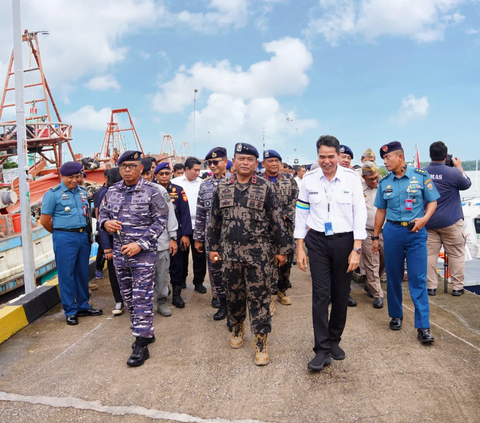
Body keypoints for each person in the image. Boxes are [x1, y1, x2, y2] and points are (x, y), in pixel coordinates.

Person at [207, 143, 289, 366]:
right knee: (234, 295)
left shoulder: (265, 187)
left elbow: (276, 220)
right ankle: (236, 326)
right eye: (241, 158)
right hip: (230, 255)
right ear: (234, 160)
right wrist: (212, 247)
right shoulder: (222, 187)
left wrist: (282, 250)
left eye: (250, 159)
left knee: (259, 297)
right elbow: (214, 220)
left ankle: (261, 339)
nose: (245, 163)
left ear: (256, 163)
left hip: (258, 255)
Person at [295, 135, 367, 371]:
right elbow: (302, 213)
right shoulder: (309, 180)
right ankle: (322, 349)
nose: (326, 161)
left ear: (338, 155)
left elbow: (360, 213)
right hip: (317, 241)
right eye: (322, 156)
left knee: (340, 294)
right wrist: (300, 247)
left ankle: (334, 340)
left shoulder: (351, 179)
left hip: (345, 241)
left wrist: (356, 248)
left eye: (331, 156)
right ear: (317, 156)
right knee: (320, 295)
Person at [99, 150, 169, 367]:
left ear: (141, 168)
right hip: (120, 254)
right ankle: (145, 331)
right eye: (123, 166)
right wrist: (105, 224)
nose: (127, 169)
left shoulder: (152, 191)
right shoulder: (111, 191)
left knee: (142, 297)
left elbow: (161, 221)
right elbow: (101, 215)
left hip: (143, 254)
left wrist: (140, 244)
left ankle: (141, 343)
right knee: (128, 296)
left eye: (131, 165)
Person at [372, 141, 439, 344]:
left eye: (388, 157)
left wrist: (425, 219)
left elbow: (433, 201)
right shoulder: (384, 182)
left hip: (415, 231)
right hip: (392, 231)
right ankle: (396, 315)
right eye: (383, 158)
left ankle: (423, 326)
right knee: (393, 276)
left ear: (400, 157)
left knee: (418, 279)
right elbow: (380, 211)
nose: (385, 161)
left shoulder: (421, 176)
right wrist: (375, 237)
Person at [40, 161, 103, 326]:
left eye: (77, 176)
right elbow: (45, 221)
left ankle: (83, 305)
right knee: (66, 275)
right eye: (70, 177)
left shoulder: (82, 191)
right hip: (64, 238)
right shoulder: (53, 194)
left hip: (82, 237)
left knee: (82, 273)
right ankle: (70, 311)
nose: (74, 180)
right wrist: (61, 233)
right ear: (62, 176)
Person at [424, 141, 472, 296]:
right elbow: (467, 183)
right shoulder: (453, 173)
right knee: (456, 254)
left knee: (429, 254)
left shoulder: (422, 173)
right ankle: (457, 287)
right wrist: (459, 167)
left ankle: (430, 287)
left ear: (430, 155)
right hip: (451, 221)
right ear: (446, 156)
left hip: (429, 221)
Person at [194, 147, 231, 320]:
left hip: (234, 237)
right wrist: (199, 238)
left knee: (234, 272)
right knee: (216, 273)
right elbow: (201, 212)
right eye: (210, 163)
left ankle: (235, 305)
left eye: (216, 162)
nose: (213, 165)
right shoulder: (205, 185)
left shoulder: (236, 181)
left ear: (226, 161)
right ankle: (222, 303)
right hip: (213, 238)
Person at [262, 149, 298, 309]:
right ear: (263, 164)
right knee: (267, 262)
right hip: (265, 230)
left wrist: (284, 216)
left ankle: (282, 291)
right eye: (270, 161)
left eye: (277, 161)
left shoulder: (290, 180)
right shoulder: (258, 180)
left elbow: (295, 200)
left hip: (285, 228)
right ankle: (268, 295)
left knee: (286, 260)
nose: (274, 163)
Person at [154, 162, 192, 308]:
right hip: (156, 235)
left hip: (175, 234)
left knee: (177, 265)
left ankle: (176, 294)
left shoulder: (178, 190)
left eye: (167, 173)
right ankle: (162, 292)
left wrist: (185, 235)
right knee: (158, 267)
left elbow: (185, 214)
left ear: (171, 174)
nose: (164, 176)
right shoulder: (150, 190)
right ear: (156, 175)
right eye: (161, 174)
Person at [172, 157, 207, 293]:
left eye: (199, 170)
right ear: (187, 169)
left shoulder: (202, 184)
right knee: (182, 255)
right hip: (182, 226)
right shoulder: (175, 183)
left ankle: (198, 282)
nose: (197, 173)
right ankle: (181, 280)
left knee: (199, 255)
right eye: (195, 170)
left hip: (199, 225)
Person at [98, 168, 125, 315]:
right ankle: (119, 300)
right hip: (112, 242)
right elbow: (101, 223)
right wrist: (107, 248)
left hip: (129, 242)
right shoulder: (105, 195)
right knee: (114, 273)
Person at [337, 144, 359, 307]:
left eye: (348, 158)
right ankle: (331, 294)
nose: (345, 160)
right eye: (343, 156)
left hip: (347, 229)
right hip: (326, 231)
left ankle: (346, 294)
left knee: (346, 265)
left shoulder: (353, 178)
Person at [361, 162, 384, 308]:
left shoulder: (384, 186)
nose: (374, 181)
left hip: (385, 230)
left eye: (376, 178)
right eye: (371, 179)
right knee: (371, 261)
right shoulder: (359, 190)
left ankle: (371, 283)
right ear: (364, 178)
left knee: (384, 261)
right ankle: (378, 294)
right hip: (367, 231)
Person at [153, 184, 178, 317]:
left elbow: (170, 213)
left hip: (160, 240)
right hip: (136, 244)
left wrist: (173, 237)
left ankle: (161, 302)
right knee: (138, 278)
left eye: (147, 172)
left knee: (162, 274)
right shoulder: (125, 190)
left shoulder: (159, 190)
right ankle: (139, 310)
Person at [93, 169, 110, 280]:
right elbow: (97, 210)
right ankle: (99, 268)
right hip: (103, 224)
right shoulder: (100, 192)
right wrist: (101, 226)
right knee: (101, 249)